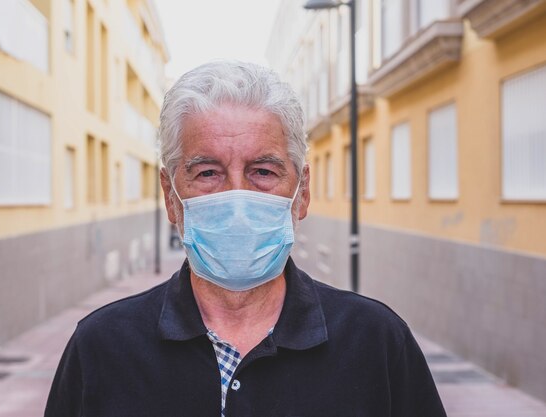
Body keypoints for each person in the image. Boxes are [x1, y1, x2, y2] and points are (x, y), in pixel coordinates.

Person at [44, 60, 446, 417]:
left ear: (301, 191)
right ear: (170, 196)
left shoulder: (376, 344)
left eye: (263, 172)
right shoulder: (100, 348)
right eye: (207, 173)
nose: (236, 198)